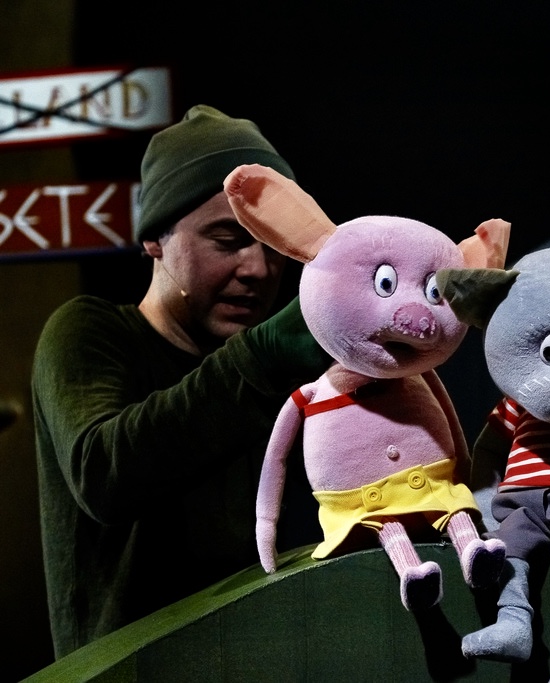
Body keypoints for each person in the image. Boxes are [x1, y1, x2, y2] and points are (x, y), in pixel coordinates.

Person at [32, 104, 332, 658]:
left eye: (274, 247)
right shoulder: (89, 331)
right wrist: (259, 358)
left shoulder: (255, 370)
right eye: (228, 239)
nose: (258, 270)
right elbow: (103, 473)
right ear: (155, 238)